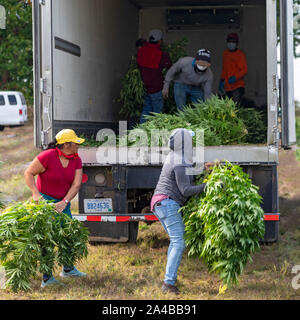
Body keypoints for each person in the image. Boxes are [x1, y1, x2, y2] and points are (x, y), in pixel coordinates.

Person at [24, 129, 87, 288]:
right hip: (45, 203)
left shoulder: (76, 159)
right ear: (66, 144)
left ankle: (68, 268)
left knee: (68, 235)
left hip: (62, 202)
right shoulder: (48, 156)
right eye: (75, 143)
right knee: (47, 239)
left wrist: (64, 201)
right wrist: (36, 195)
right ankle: (47, 279)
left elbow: (76, 184)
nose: (78, 146)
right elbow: (29, 173)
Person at [151, 128, 210, 295]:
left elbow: (186, 176)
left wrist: (202, 170)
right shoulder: (179, 160)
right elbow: (185, 189)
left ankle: (169, 279)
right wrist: (208, 186)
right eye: (190, 140)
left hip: (162, 203)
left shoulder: (177, 157)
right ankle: (168, 284)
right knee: (179, 242)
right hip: (167, 203)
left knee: (175, 241)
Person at [137, 29, 172, 123]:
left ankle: (141, 132)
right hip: (157, 87)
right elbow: (170, 67)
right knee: (158, 114)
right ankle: (156, 135)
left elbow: (139, 66)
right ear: (160, 41)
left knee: (146, 110)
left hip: (145, 87)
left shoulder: (141, 51)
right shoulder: (161, 55)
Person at [219, 33, 248, 105]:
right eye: (229, 41)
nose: (231, 43)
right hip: (227, 87)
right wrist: (222, 81)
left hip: (238, 86)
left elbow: (244, 70)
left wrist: (235, 77)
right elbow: (224, 68)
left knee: (235, 106)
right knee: (228, 107)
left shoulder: (240, 54)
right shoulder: (225, 54)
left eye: (233, 41)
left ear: (237, 43)